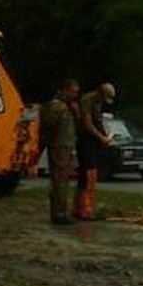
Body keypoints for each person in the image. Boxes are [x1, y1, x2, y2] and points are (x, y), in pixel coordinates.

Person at [40, 79, 80, 226]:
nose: (75, 95)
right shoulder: (56, 105)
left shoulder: (69, 107)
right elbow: (48, 124)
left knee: (64, 180)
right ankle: (58, 213)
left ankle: (62, 210)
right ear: (65, 90)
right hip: (59, 146)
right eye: (73, 91)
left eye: (76, 92)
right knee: (59, 180)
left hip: (67, 146)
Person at [74, 82, 115, 220]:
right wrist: (101, 138)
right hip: (85, 139)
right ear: (99, 92)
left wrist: (105, 135)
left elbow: (97, 121)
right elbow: (87, 123)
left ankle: (87, 207)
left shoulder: (98, 102)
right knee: (87, 174)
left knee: (92, 174)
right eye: (103, 98)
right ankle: (83, 210)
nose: (103, 101)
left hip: (93, 141)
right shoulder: (87, 100)